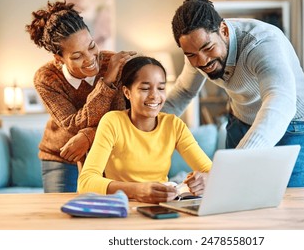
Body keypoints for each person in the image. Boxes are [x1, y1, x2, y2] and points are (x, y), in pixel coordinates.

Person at [162, 0, 304, 187]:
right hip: (242, 119)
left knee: (289, 204)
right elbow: (183, 93)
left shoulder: (261, 43)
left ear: (224, 31)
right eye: (191, 55)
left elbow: (280, 102)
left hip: (292, 123)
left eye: (208, 48)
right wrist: (143, 128)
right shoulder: (196, 48)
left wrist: (231, 168)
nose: (202, 61)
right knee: (233, 198)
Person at [25, 0, 136, 192]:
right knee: (62, 217)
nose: (91, 59)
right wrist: (107, 82)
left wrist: (89, 135)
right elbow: (72, 125)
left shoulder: (113, 62)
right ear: (59, 59)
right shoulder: (46, 78)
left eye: (92, 46)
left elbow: (122, 116)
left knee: (109, 216)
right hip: (63, 155)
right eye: (77, 56)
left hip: (109, 152)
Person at [78, 56, 212, 204]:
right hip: (122, 206)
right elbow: (86, 181)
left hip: (161, 207)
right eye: (145, 88)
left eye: (161, 88)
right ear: (127, 92)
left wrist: (206, 178)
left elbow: (212, 170)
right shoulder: (113, 122)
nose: (155, 95)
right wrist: (137, 190)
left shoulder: (174, 125)